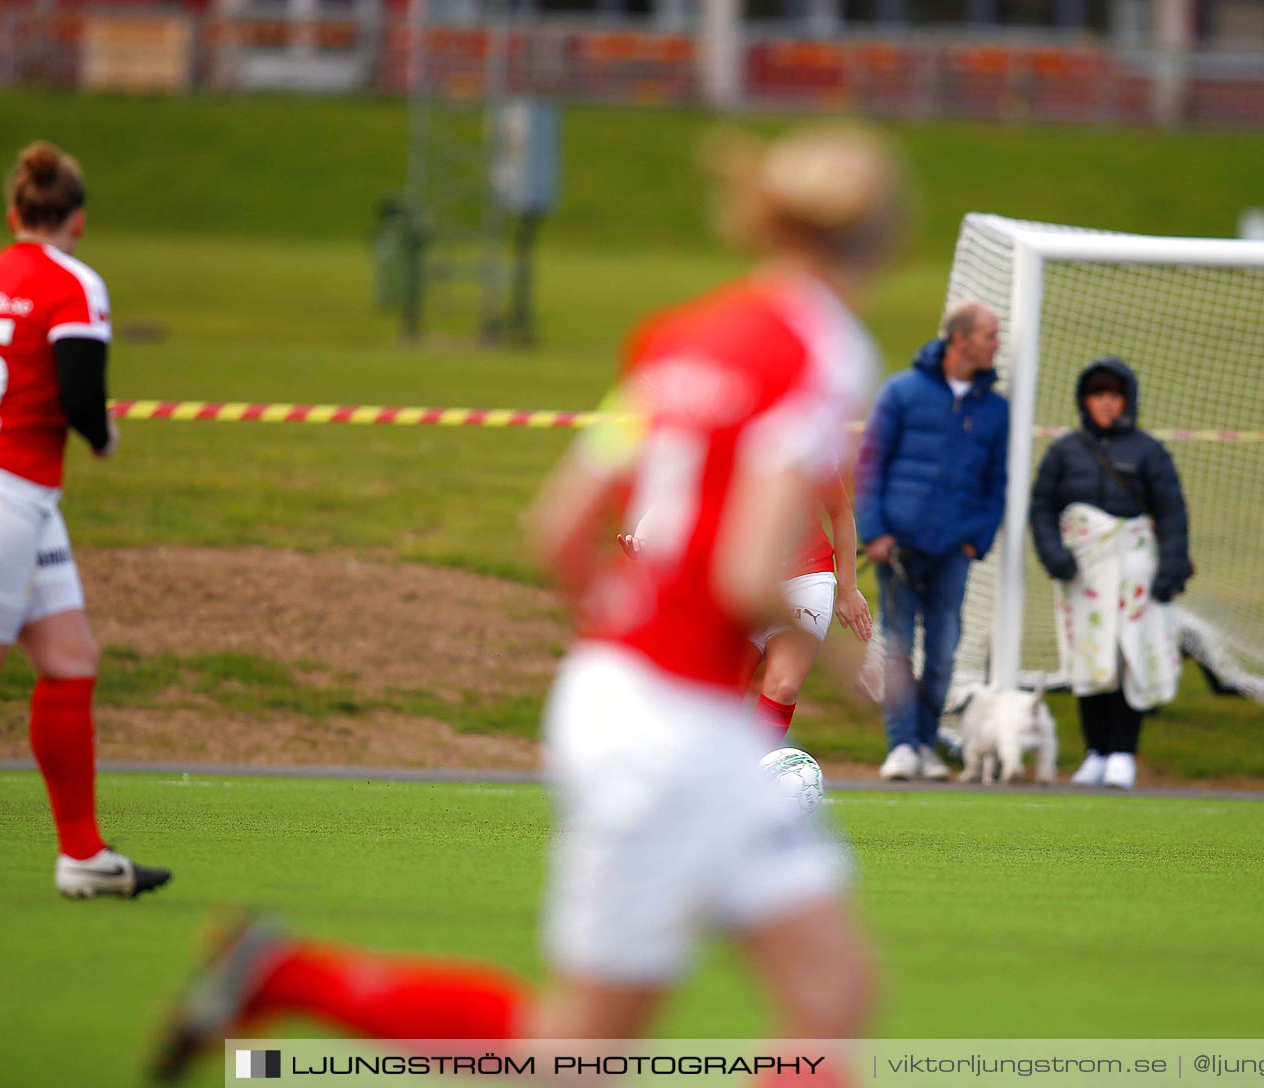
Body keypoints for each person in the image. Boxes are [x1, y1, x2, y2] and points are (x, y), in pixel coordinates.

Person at [150, 123, 905, 1080]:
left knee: (809, 998)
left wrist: (628, 646)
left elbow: (556, 527)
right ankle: (296, 977)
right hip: (680, 729)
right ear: (879, 237)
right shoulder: (824, 347)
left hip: (631, 702)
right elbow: (751, 576)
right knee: (601, 1044)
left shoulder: (679, 337)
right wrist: (873, 679)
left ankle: (290, 975)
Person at [0, 141, 169, 900]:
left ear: (14, 214)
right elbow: (78, 393)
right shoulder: (75, 284)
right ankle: (83, 855)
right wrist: (102, 437)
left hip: (5, 493)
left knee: (69, 659)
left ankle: (84, 857)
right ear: (78, 220)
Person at [855, 302, 1008, 781]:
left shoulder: (995, 409)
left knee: (943, 650)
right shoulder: (902, 392)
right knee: (898, 645)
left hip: (953, 551)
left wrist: (975, 541)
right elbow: (870, 464)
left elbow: (995, 483)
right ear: (960, 340)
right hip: (898, 546)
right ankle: (900, 745)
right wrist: (875, 531)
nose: (996, 344)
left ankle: (925, 743)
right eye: (989, 335)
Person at [1028, 359, 1191, 790]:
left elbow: (1172, 513)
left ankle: (1123, 752)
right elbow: (1042, 506)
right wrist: (1055, 556)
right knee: (1089, 656)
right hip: (1084, 574)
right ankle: (1095, 752)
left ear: (1127, 400)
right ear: (1085, 400)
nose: (1106, 404)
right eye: (1098, 395)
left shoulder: (1148, 452)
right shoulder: (1065, 451)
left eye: (1114, 395)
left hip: (1135, 571)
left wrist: (1170, 571)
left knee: (1128, 656)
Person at [746, 471, 874, 747]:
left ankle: (752, 773)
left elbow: (840, 511)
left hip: (806, 576)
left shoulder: (812, 445)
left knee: (784, 686)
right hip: (748, 582)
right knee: (721, 692)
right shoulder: (729, 439)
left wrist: (848, 589)